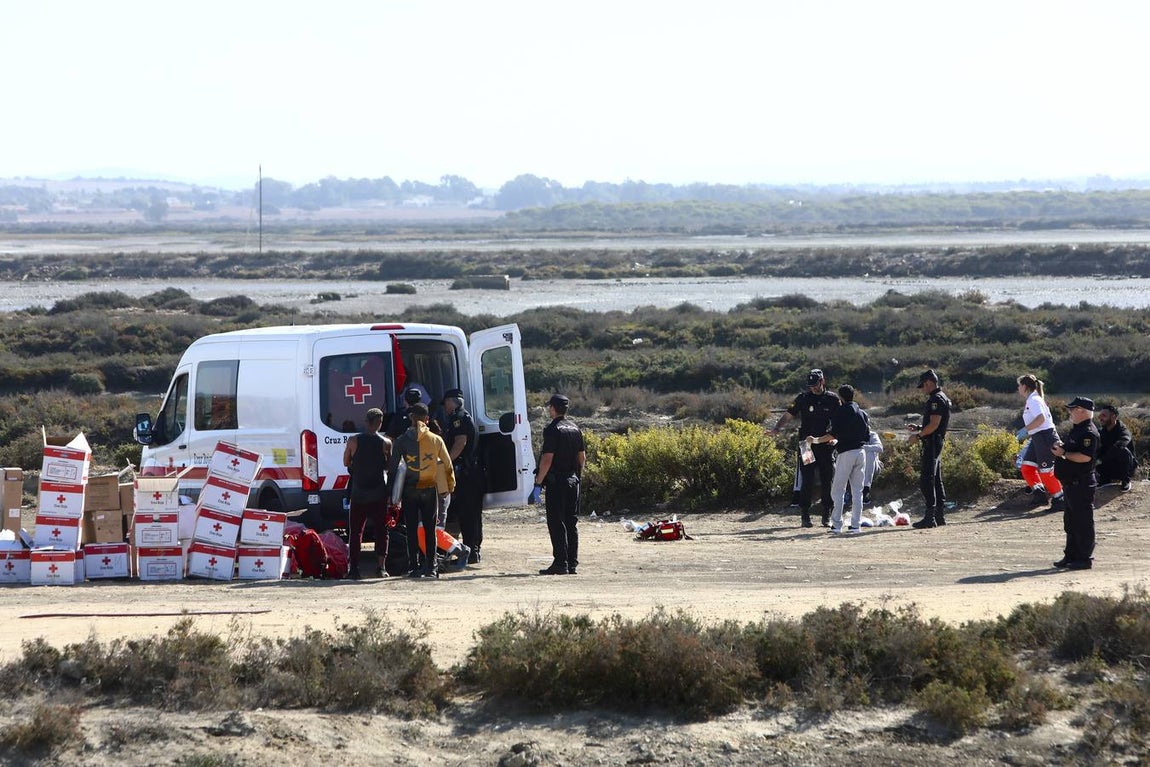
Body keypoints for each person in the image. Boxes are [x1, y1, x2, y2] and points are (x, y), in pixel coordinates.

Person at [390, 402, 455, 579]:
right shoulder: (436, 440)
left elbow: (393, 468)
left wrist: (391, 494)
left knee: (411, 529)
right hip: (429, 490)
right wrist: (449, 487)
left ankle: (414, 567)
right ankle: (431, 568)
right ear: (427, 419)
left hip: (409, 491)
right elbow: (447, 465)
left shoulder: (401, 441)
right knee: (430, 529)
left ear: (411, 418)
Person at [771, 369, 841, 528]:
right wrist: (776, 428)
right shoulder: (802, 398)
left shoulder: (833, 399)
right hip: (806, 446)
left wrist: (836, 438)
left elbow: (839, 421)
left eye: (815, 385)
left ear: (822, 381)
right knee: (807, 479)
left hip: (825, 444)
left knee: (827, 479)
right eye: (810, 385)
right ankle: (805, 515)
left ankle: (826, 514)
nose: (813, 388)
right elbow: (788, 415)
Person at [531, 393, 586, 575]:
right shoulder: (575, 428)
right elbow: (582, 457)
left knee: (556, 522)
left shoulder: (552, 429)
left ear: (553, 408)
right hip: (573, 480)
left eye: (550, 407)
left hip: (557, 482)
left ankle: (560, 563)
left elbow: (547, 459)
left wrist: (538, 483)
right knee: (571, 522)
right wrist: (577, 476)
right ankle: (572, 563)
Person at [808, 385, 870, 534]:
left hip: (846, 453)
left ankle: (836, 524)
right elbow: (866, 436)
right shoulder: (862, 413)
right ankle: (856, 525)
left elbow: (832, 434)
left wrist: (815, 440)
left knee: (838, 490)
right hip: (861, 452)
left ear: (841, 397)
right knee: (857, 491)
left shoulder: (840, 412)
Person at [342, 408, 392, 579]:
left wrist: (356, 466)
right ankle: (381, 568)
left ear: (366, 421)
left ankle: (354, 569)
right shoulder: (386, 443)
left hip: (359, 493)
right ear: (379, 423)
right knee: (381, 530)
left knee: (356, 531)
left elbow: (346, 462)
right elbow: (388, 466)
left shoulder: (353, 440)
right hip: (378, 493)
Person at [1051, 396, 1100, 570]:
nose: (1070, 412)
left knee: (1083, 523)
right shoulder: (1078, 429)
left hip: (1081, 483)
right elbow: (1072, 449)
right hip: (1071, 484)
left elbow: (1085, 457)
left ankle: (1084, 558)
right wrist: (1061, 448)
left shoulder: (1088, 432)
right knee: (1071, 522)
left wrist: (1063, 454)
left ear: (1081, 411)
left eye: (1072, 409)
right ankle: (1070, 555)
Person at [443, 388, 485, 564]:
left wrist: (446, 462)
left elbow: (460, 442)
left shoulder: (458, 418)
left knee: (467, 513)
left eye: (446, 403)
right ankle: (474, 550)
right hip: (473, 472)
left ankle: (470, 551)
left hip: (466, 474)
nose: (445, 407)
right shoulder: (466, 416)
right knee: (473, 514)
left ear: (452, 402)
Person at [1015, 374, 1066, 511]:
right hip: (1037, 437)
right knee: (1027, 467)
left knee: (1045, 470)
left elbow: (1041, 419)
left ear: (1025, 386)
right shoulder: (1033, 399)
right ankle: (1040, 494)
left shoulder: (1034, 400)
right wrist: (1028, 432)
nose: (1018, 388)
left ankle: (1059, 498)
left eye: (1019, 385)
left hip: (1045, 437)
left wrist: (1025, 430)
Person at [908, 369, 951, 528]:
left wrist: (918, 436)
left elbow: (934, 425)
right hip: (936, 441)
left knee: (927, 480)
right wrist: (920, 427)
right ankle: (939, 516)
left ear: (929, 383)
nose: (922, 389)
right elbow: (935, 424)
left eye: (923, 386)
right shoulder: (942, 397)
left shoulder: (936, 399)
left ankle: (930, 517)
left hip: (932, 443)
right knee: (936, 479)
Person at [1096, 404, 1136, 491]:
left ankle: (1126, 480)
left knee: (1122, 450)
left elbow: (1120, 445)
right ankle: (1104, 479)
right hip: (1109, 465)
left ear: (1113, 417)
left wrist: (1101, 460)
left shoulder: (1123, 431)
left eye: (1104, 415)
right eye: (1100, 415)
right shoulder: (1101, 431)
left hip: (1125, 467)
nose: (1100, 418)